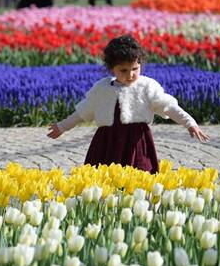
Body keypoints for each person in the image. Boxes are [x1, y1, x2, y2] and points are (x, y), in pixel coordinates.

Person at [47, 35, 209, 173]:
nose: (130, 75)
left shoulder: (147, 87)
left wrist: (189, 123)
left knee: (138, 172)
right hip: (107, 141)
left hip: (136, 141)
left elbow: (168, 106)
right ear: (112, 69)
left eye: (135, 69)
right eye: (123, 70)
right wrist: (62, 126)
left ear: (140, 65)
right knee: (104, 175)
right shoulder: (102, 88)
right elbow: (83, 111)